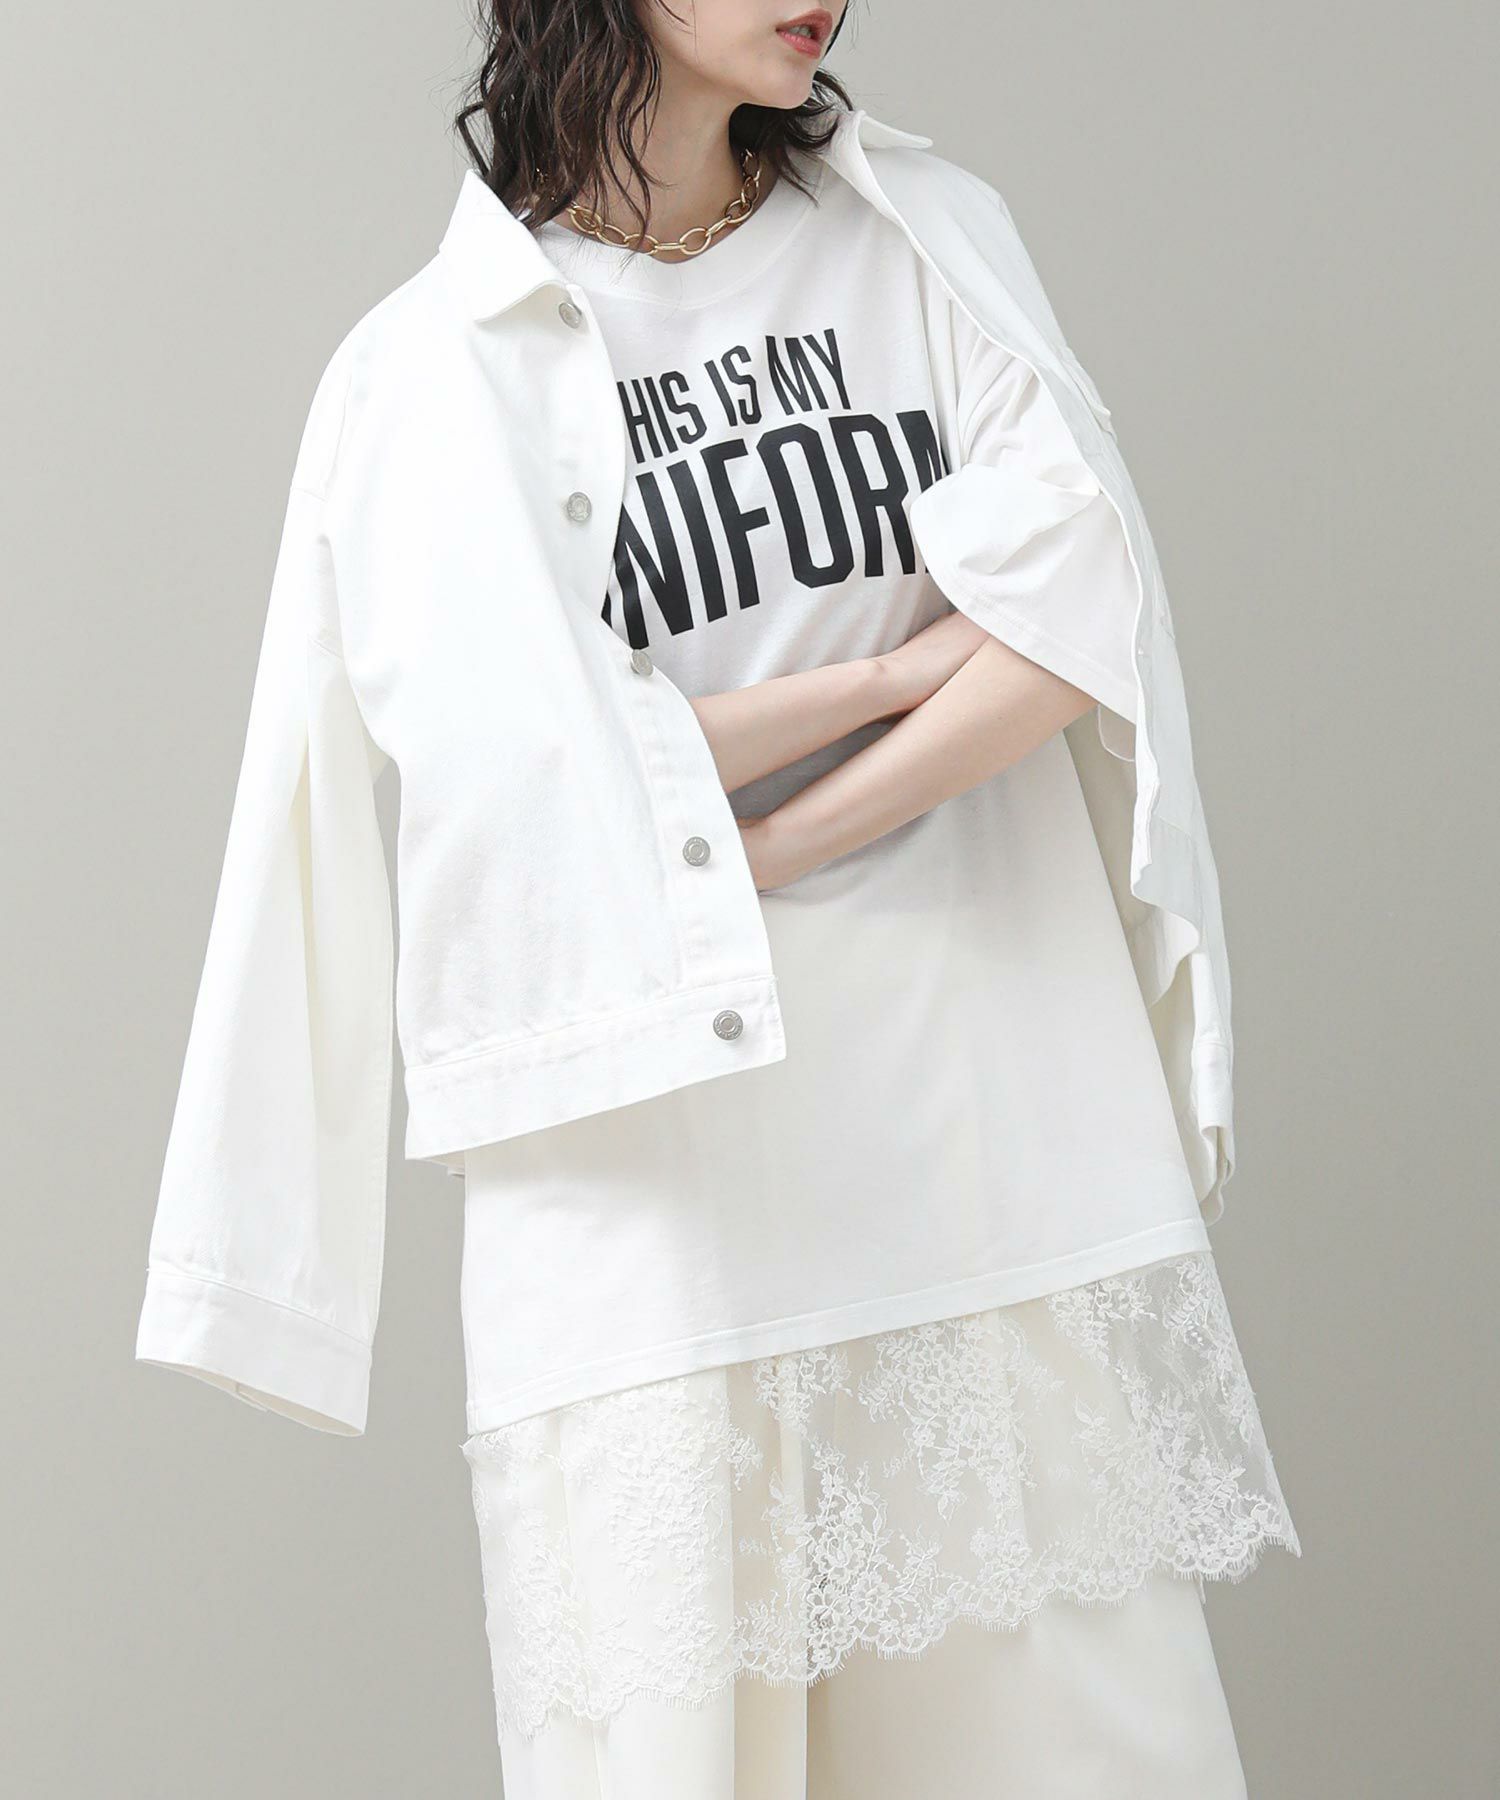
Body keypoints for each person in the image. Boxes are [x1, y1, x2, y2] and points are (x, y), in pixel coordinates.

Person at [135, 3, 1300, 1794]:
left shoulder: (924, 245)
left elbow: (1075, 624)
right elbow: (525, 790)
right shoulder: (427, 375)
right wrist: (889, 674)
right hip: (660, 1229)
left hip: (982, 1148)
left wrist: (715, 859)